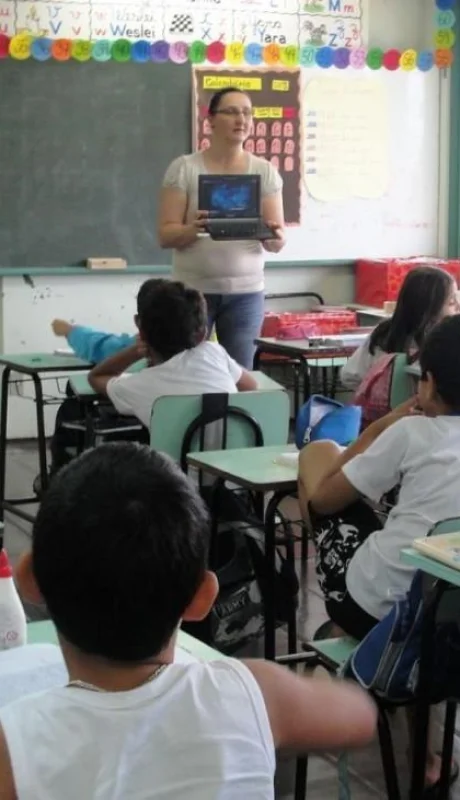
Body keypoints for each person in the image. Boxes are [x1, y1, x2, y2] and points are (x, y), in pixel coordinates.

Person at [0, 443, 377, 799]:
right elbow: (359, 714)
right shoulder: (256, 694)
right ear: (202, 598)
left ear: (29, 580)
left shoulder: (12, 747)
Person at [298, 314, 460, 790]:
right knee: (427, 573)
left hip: (375, 608)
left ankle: (350, 641)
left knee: (318, 459)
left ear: (427, 382)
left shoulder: (410, 434)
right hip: (452, 614)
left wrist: (382, 426)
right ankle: (429, 755)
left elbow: (323, 501)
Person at [158, 87, 286, 370]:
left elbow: (277, 243)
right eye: (231, 112)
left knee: (239, 374)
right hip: (192, 293)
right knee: (184, 372)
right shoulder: (184, 168)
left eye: (247, 112)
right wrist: (194, 229)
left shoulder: (264, 171)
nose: (241, 119)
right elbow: (165, 235)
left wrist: (274, 235)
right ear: (211, 120)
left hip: (246, 294)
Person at [88, 278, 257, 428]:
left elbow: (96, 377)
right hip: (227, 460)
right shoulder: (213, 353)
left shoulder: (139, 385)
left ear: (141, 331)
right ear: (202, 334)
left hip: (173, 464)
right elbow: (250, 386)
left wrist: (135, 351)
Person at [341, 266, 459, 391]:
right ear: (428, 308)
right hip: (423, 409)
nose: (458, 306)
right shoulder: (443, 340)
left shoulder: (384, 332)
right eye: (452, 302)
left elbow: (349, 375)